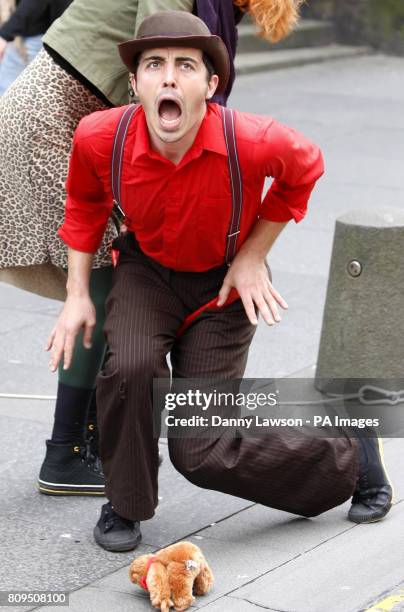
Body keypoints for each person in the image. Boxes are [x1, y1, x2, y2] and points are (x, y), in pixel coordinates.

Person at [47, 11, 393, 552]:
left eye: (185, 66)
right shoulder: (100, 137)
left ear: (210, 86)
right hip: (146, 271)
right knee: (129, 369)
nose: (168, 77)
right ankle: (126, 501)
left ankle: (350, 449)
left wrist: (254, 255)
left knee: (201, 449)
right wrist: (74, 297)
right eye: (153, 64)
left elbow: (306, 169)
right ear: (134, 83)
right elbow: (85, 206)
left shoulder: (252, 139)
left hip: (224, 284)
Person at [0, 0, 304, 497]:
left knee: (112, 284)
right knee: (107, 286)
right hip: (54, 121)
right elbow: (161, 57)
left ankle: (95, 441)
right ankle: (69, 450)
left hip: (68, 111)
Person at [0, 0, 71, 95]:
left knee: (9, 84)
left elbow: (34, 3)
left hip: (39, 33)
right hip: (42, 28)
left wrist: (4, 35)